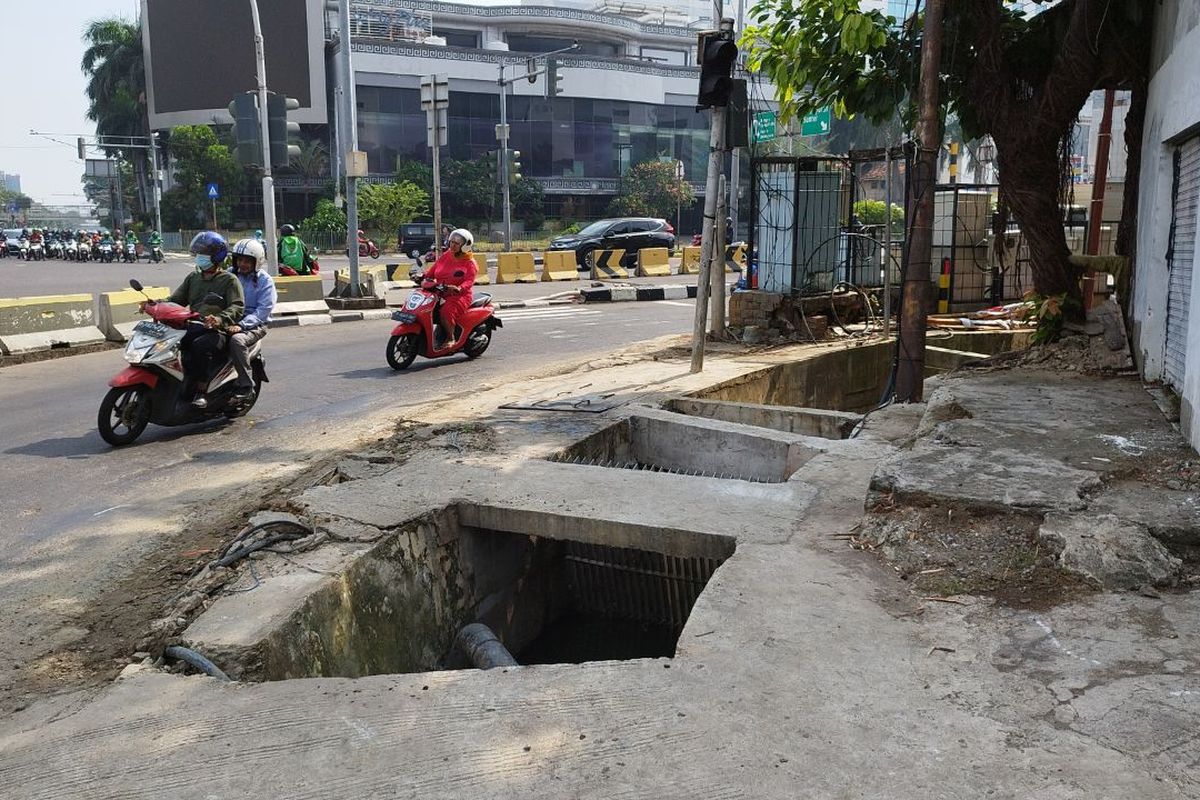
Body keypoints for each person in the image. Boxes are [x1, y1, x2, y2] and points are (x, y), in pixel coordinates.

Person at [156, 232, 244, 407]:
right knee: (167, 343)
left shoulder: (229, 280)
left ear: (217, 256)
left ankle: (201, 391)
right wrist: (155, 305)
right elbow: (176, 300)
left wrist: (219, 319)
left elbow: (237, 306)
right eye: (199, 253)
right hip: (194, 325)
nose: (200, 257)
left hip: (217, 331)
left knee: (199, 346)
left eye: (204, 253)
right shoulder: (193, 278)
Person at [225, 238, 276, 401]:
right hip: (229, 319)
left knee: (237, 341)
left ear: (257, 261)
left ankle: (246, 385)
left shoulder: (265, 281)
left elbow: (263, 310)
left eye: (247, 261)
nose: (242, 264)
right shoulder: (230, 274)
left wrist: (241, 325)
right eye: (240, 259)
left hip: (254, 325)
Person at [423, 228, 476, 349]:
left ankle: (451, 338)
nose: (453, 245)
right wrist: (424, 276)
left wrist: (458, 288)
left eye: (457, 243)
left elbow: (469, 281)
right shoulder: (447, 255)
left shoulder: (470, 263)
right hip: (441, 290)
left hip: (459, 296)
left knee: (445, 312)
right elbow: (435, 268)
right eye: (452, 242)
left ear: (465, 246)